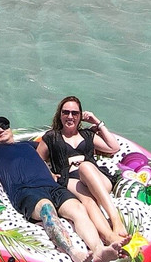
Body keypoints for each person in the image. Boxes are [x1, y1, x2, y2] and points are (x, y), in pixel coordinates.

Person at [0, 117, 125, 262]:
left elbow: (58, 145)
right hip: (26, 192)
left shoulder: (28, 145)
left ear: (11, 129)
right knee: (47, 209)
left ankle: (98, 251)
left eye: (4, 125)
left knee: (78, 209)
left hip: (53, 187)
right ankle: (72, 251)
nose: (1, 129)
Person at [38, 96, 128, 242]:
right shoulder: (51, 137)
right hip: (70, 179)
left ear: (80, 116)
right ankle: (109, 236)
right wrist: (50, 173)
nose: (70, 116)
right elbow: (37, 159)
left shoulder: (88, 135)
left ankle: (116, 221)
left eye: (75, 113)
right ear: (59, 115)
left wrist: (97, 121)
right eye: (65, 112)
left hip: (97, 178)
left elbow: (114, 148)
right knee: (88, 201)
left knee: (85, 167)